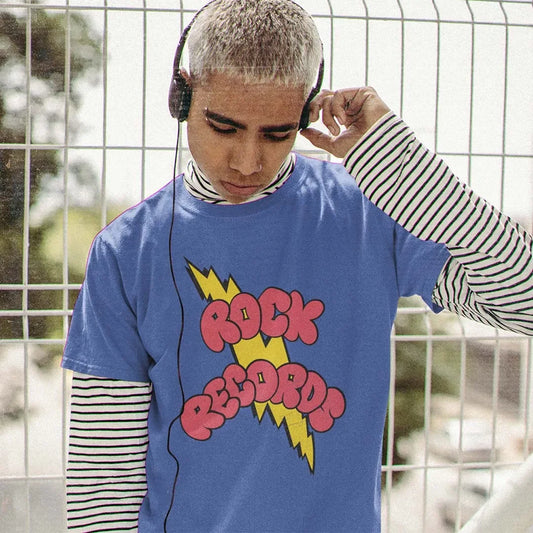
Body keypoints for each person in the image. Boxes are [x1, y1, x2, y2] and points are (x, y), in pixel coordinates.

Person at [61, 0, 533, 531]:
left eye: (276, 134)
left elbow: (526, 300)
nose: (247, 162)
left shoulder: (369, 212)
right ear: (183, 96)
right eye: (224, 127)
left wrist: (400, 167)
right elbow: (103, 483)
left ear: (307, 114)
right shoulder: (126, 251)